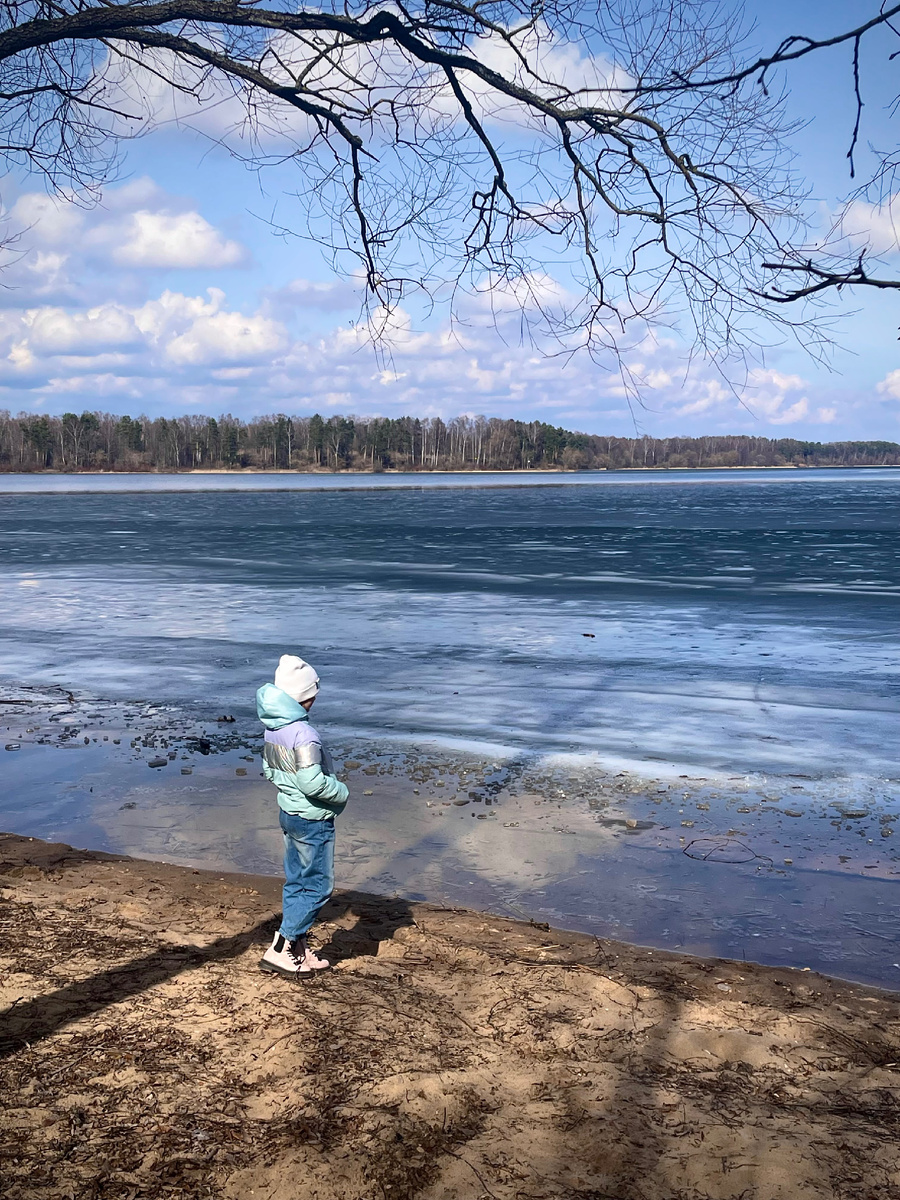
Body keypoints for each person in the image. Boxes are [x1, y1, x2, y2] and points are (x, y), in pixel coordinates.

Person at [256, 654, 349, 978]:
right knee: (319, 886)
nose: (315, 698)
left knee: (297, 881)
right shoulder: (304, 734)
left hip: (288, 813)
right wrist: (341, 791)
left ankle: (297, 950)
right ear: (304, 697)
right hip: (312, 820)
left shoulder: (273, 728)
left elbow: (269, 770)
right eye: (313, 693)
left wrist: (290, 789)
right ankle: (281, 947)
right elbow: (311, 781)